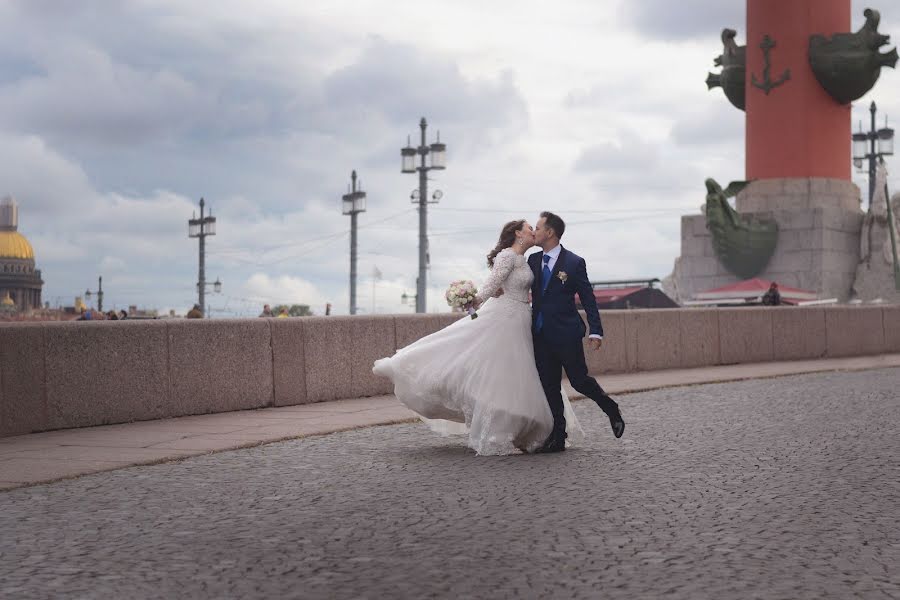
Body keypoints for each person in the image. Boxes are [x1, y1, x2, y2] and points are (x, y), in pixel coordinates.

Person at [373, 219, 584, 456]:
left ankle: (528, 429)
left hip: (522, 318)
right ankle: (499, 429)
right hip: (505, 318)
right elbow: (492, 283)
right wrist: (473, 302)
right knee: (496, 373)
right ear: (518, 233)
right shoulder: (507, 256)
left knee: (518, 374)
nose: (533, 231)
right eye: (529, 228)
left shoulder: (524, 259)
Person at [529, 211, 625, 453]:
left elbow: (588, 299)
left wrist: (596, 331)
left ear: (550, 232)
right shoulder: (532, 260)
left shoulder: (574, 262)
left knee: (580, 381)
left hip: (567, 333)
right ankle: (558, 437)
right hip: (540, 334)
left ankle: (610, 408)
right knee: (549, 386)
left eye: (538, 228)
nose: (534, 232)